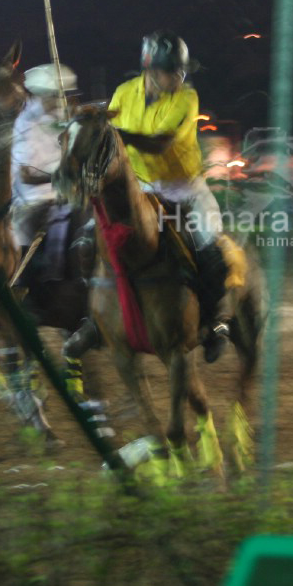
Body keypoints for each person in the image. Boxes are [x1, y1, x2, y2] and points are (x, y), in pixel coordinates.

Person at [107, 30, 230, 363]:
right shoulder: (123, 93)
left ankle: (217, 322)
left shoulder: (187, 98)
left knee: (210, 247)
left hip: (185, 189)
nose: (179, 76)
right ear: (149, 68)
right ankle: (99, 315)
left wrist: (118, 135)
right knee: (99, 239)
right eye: (171, 70)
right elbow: (106, 133)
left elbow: (160, 143)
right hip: (142, 188)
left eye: (181, 70)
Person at [10, 63, 76, 253]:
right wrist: (64, 174)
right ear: (41, 94)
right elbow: (26, 176)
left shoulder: (63, 117)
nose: (61, 100)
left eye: (63, 94)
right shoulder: (24, 122)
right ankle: (22, 276)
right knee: (29, 230)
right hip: (33, 199)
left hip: (67, 197)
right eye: (55, 95)